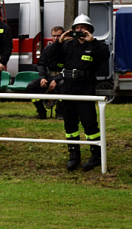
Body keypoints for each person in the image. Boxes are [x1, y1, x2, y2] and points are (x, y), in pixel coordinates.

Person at [46, 14, 109, 171]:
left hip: (85, 87)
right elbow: (49, 59)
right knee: (70, 122)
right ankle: (74, 155)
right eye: (77, 28)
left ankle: (96, 156)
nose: (80, 30)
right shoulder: (67, 45)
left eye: (83, 27)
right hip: (68, 87)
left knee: (89, 123)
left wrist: (92, 41)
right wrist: (59, 42)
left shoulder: (95, 45)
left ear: (89, 29)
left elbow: (105, 56)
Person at [26, 26, 65, 120]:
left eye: (59, 36)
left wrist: (56, 80)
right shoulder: (48, 48)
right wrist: (42, 78)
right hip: (48, 76)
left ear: (63, 36)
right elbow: (41, 64)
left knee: (63, 86)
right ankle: (41, 112)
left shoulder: (67, 48)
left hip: (62, 77)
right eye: (54, 36)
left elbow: (69, 67)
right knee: (31, 87)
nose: (56, 38)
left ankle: (60, 113)